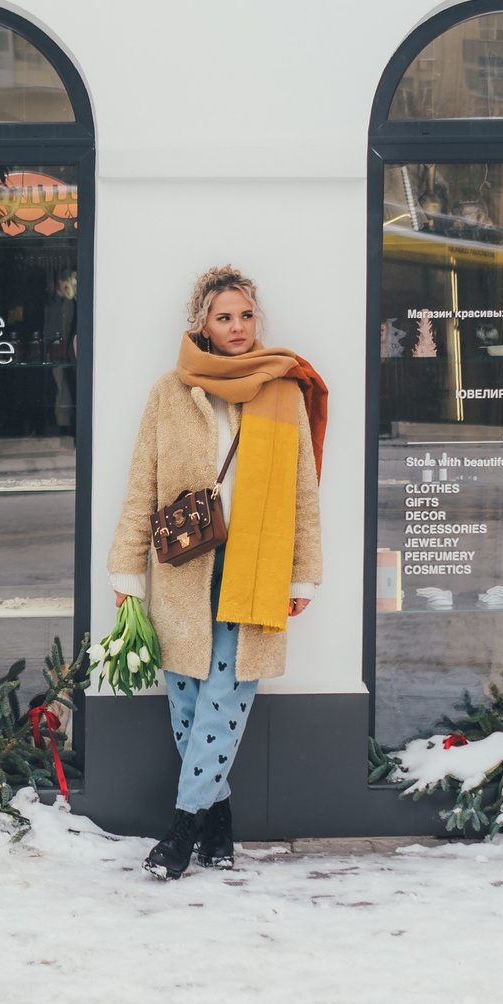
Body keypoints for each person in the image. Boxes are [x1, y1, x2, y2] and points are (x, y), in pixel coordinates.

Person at [107, 265, 327, 879]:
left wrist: (302, 573)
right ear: (201, 323)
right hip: (184, 565)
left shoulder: (283, 388)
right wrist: (126, 569)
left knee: (224, 697)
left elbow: (303, 493)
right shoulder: (170, 391)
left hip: (255, 565)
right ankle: (219, 818)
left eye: (246, 315)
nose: (237, 327)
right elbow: (142, 489)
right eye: (223, 316)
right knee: (186, 698)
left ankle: (181, 830)